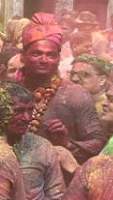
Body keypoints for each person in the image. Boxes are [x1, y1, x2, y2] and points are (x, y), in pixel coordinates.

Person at [19, 13, 105, 163]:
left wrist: (66, 143)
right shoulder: (10, 91)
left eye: (51, 55)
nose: (44, 60)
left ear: (59, 59)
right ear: (22, 56)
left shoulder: (74, 94)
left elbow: (97, 144)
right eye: (37, 54)